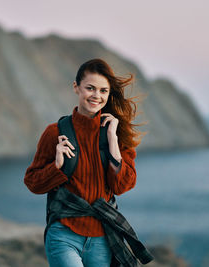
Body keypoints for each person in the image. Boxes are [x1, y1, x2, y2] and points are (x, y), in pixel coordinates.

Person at [24, 58, 146, 267]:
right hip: (63, 234)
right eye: (90, 88)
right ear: (76, 87)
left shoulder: (116, 134)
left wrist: (113, 142)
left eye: (103, 91)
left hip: (103, 239)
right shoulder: (55, 132)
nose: (96, 96)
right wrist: (57, 167)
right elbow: (33, 183)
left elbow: (123, 185)